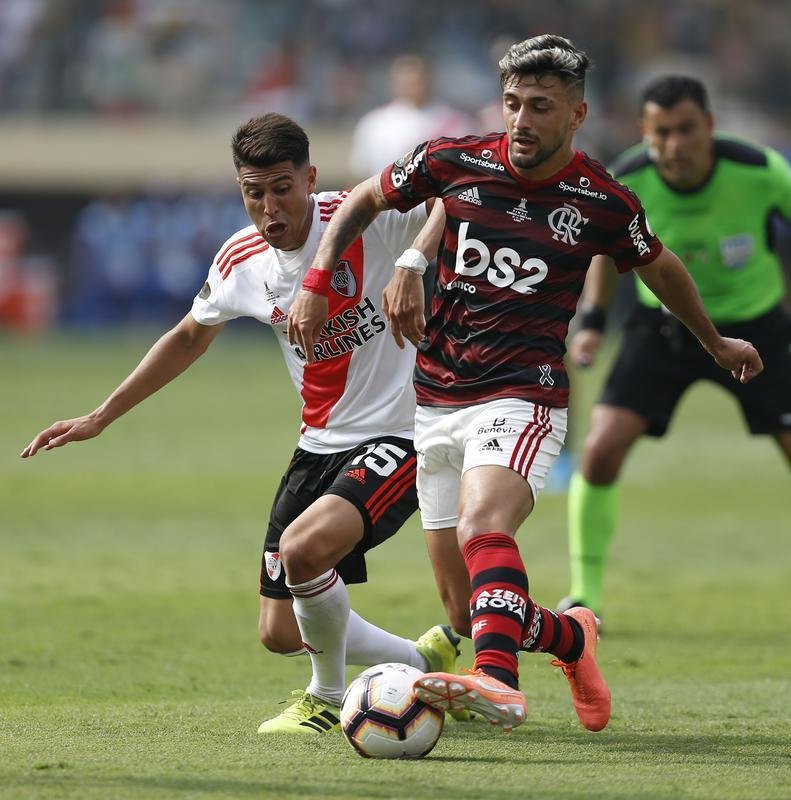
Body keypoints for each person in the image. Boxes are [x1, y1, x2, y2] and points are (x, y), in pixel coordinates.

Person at [286, 36, 763, 734]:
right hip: (437, 397)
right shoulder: (456, 161)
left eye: (540, 106)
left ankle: (498, 682)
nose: (521, 120)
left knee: (487, 526)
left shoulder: (599, 198)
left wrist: (713, 340)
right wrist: (319, 277)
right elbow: (366, 197)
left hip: (523, 392)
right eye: (512, 103)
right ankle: (571, 638)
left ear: (576, 113)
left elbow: (657, 266)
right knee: (464, 610)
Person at [20, 112, 464, 736]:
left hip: (404, 430)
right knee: (279, 631)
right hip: (318, 445)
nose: (269, 207)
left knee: (305, 550)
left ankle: (326, 698)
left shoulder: (369, 217)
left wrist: (414, 262)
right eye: (253, 192)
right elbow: (187, 338)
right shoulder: (242, 259)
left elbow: (458, 193)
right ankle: (420, 663)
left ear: (310, 178)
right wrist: (100, 416)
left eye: (282, 187)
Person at [557, 75, 791, 618]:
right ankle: (585, 595)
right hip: (662, 330)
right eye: (662, 132)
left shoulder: (759, 171)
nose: (675, 145)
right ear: (645, 131)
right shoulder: (629, 178)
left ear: (709, 126)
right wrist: (592, 319)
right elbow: (600, 249)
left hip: (757, 332)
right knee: (600, 450)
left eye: (687, 130)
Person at [348, 53, 471, 181]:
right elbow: (360, 176)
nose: (413, 82)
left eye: (418, 77)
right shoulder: (374, 123)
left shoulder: (455, 120)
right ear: (394, 81)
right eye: (406, 77)